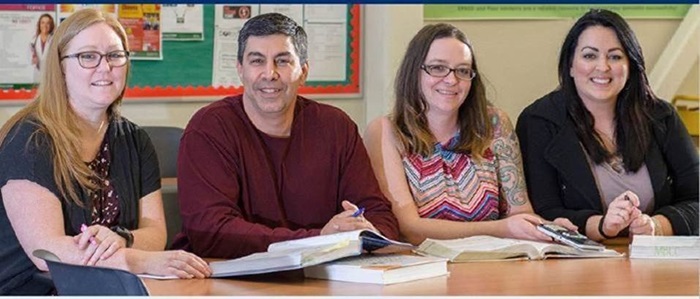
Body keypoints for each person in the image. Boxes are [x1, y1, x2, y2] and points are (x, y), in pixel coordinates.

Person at [0, 8, 210, 295]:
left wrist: (121, 238)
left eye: (115, 55)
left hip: (110, 286)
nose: (105, 67)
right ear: (60, 67)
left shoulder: (136, 141)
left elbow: (155, 233)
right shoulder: (29, 138)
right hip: (32, 288)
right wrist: (135, 259)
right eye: (88, 56)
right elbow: (46, 252)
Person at [172, 13, 399, 259]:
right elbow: (210, 232)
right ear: (240, 70)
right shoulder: (209, 129)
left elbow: (379, 215)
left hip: (323, 276)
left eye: (282, 61)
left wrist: (365, 232)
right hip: (230, 278)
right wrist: (318, 240)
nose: (269, 73)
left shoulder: (337, 127)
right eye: (257, 61)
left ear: (303, 71)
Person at [363, 23, 574, 246]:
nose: (452, 80)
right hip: (425, 268)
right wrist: (500, 229)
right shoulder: (385, 131)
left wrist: (546, 228)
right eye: (437, 68)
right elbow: (410, 229)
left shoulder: (495, 124)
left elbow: (519, 212)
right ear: (414, 71)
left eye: (463, 71)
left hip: (496, 263)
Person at [516, 9, 698, 241]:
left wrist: (656, 226)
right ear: (570, 65)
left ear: (630, 65)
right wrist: (602, 226)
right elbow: (544, 212)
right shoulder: (539, 122)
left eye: (615, 56)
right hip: (574, 264)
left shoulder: (661, 116)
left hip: (654, 259)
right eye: (590, 56)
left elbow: (696, 198)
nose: (603, 67)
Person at [30, 13, 55, 82]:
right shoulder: (33, 40)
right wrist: (32, 59)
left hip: (50, 75)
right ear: (39, 25)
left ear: (51, 25)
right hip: (37, 74)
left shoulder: (54, 40)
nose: (45, 26)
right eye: (42, 23)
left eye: (48, 23)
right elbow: (29, 56)